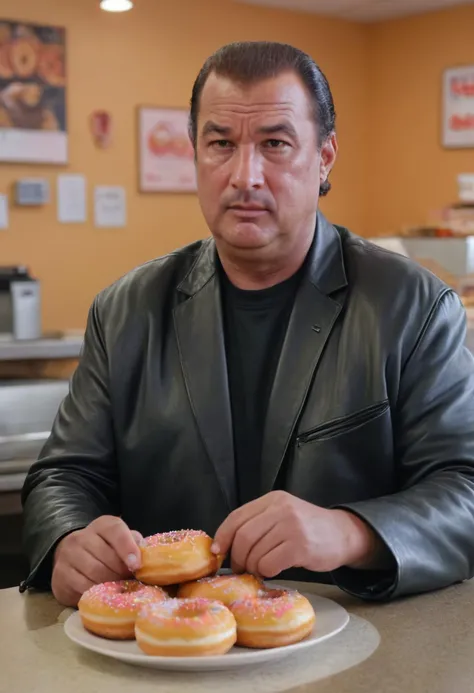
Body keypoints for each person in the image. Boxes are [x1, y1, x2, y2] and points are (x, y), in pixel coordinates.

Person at [21, 41, 474, 608]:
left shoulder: (412, 306)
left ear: (325, 156)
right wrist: (69, 537)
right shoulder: (125, 310)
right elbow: (64, 474)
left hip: (359, 650)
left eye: (275, 144)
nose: (245, 175)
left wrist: (349, 532)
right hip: (164, 652)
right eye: (221, 144)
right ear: (195, 153)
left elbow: (465, 488)